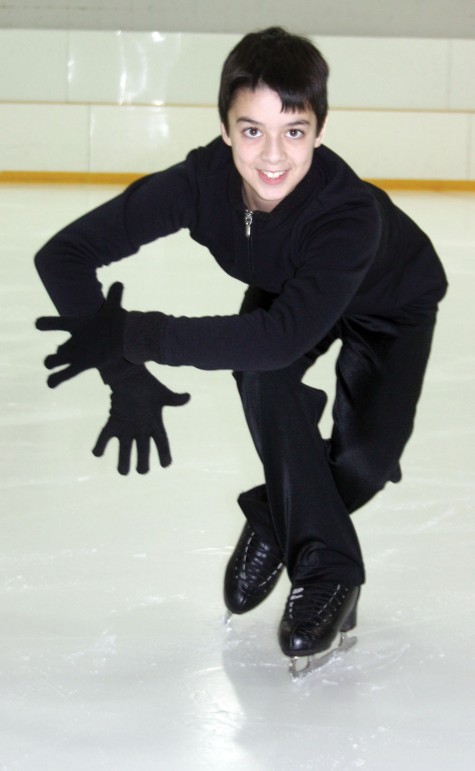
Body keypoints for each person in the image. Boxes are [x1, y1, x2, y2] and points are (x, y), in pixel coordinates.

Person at [35, 27, 447, 672]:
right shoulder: (201, 183)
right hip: (288, 294)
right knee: (264, 376)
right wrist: (124, 374)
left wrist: (135, 332)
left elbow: (281, 335)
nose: (273, 155)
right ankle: (329, 569)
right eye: (252, 130)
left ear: (319, 130)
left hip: (391, 303)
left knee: (365, 462)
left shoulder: (347, 213)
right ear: (226, 129)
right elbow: (65, 255)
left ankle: (272, 518)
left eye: (295, 130)